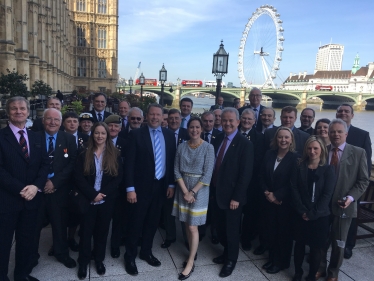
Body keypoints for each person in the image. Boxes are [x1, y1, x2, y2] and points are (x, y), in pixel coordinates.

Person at [0, 97, 49, 281]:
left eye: (22, 108)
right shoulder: (1, 137)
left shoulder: (36, 137)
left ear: (28, 112)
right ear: (8, 112)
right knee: (3, 244)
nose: (18, 111)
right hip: (7, 201)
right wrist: (22, 189)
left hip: (31, 201)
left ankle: (21, 275)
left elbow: (45, 164)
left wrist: (36, 186)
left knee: (26, 242)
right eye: (14, 108)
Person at [124, 104, 176, 276]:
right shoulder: (136, 134)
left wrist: (170, 184)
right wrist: (130, 188)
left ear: (163, 118)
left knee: (152, 222)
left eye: (158, 115)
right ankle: (129, 256)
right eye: (152, 114)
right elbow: (129, 164)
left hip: (160, 187)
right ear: (147, 116)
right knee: (135, 222)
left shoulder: (169, 135)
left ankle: (146, 251)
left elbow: (170, 162)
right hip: (140, 188)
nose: (155, 117)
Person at [317, 119, 369, 281]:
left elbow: (363, 181)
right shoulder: (322, 151)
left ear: (346, 134)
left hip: (344, 206)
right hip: (323, 206)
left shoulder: (358, 152)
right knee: (320, 240)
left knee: (339, 242)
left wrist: (351, 198)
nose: (336, 134)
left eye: (339, 131)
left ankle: (333, 273)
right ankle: (320, 268)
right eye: (332, 131)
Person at [74, 122, 123, 279]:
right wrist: (92, 194)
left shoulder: (115, 153)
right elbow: (78, 178)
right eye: (96, 133)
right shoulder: (83, 153)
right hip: (88, 200)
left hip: (106, 201)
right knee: (86, 233)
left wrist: (102, 194)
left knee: (102, 232)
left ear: (107, 135)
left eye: (103, 133)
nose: (99, 136)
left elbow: (118, 178)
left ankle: (99, 259)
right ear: (92, 134)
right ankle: (83, 261)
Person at [31, 108, 77, 270]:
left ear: (60, 123)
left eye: (56, 120)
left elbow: (72, 163)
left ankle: (61, 253)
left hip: (59, 190)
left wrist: (54, 182)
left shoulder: (69, 139)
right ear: (43, 121)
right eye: (49, 119)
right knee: (34, 225)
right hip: (37, 189)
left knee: (59, 224)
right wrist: (41, 182)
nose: (52, 122)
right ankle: (30, 257)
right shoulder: (33, 138)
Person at [211, 108, 254, 277]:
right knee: (221, 228)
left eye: (231, 121)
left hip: (233, 197)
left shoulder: (245, 144)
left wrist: (237, 197)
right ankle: (225, 253)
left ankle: (231, 260)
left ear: (238, 122)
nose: (227, 123)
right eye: (224, 120)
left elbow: (245, 174)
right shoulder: (218, 138)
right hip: (217, 192)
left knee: (232, 230)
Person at [172, 117, 215, 280]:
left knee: (192, 227)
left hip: (200, 190)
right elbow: (176, 171)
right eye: (191, 127)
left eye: (197, 127)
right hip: (183, 188)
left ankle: (190, 261)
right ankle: (192, 251)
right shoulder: (181, 146)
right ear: (187, 129)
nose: (194, 130)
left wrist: (192, 193)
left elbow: (207, 174)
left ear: (202, 129)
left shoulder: (208, 148)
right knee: (186, 224)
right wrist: (185, 192)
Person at [291, 136, 335, 281]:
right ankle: (298, 272)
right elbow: (294, 189)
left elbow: (327, 195)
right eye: (309, 148)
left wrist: (312, 213)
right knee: (299, 245)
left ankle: (311, 276)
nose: (312, 151)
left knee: (316, 248)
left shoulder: (328, 170)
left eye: (315, 148)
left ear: (321, 150)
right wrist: (302, 210)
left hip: (319, 216)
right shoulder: (300, 166)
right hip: (300, 213)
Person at [260, 127, 298, 274]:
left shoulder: (296, 158)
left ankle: (281, 262)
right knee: (271, 231)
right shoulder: (269, 154)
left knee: (283, 234)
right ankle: (272, 258)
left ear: (291, 140)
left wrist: (277, 196)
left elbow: (293, 183)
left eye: (286, 137)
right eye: (280, 137)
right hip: (268, 200)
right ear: (276, 139)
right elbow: (261, 176)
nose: (283, 140)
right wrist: (267, 193)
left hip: (284, 203)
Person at [336, 104, 372, 259]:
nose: (343, 113)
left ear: (352, 115)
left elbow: (366, 164)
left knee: (350, 218)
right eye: (340, 111)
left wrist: (356, 190)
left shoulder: (362, 134)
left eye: (346, 111)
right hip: (333, 183)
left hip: (352, 185)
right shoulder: (332, 131)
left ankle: (348, 246)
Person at [160, 109, 190, 249]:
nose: (173, 120)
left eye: (176, 118)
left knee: (185, 211)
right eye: (171, 118)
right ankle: (170, 236)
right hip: (168, 178)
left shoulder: (187, 133)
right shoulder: (162, 134)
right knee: (168, 210)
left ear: (180, 119)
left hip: (185, 179)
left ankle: (187, 239)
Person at [238, 108, 265, 251]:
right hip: (234, 181)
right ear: (240, 119)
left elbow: (259, 161)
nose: (247, 121)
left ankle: (246, 238)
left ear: (254, 121)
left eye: (250, 119)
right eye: (244, 118)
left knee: (249, 213)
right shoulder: (233, 134)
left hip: (252, 182)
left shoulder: (260, 137)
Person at [62, 112, 89, 252]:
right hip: (62, 182)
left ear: (78, 124)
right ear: (63, 123)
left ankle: (71, 238)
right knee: (60, 214)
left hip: (79, 182)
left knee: (75, 212)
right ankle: (58, 241)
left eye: (74, 121)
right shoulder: (59, 137)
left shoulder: (85, 138)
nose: (72, 123)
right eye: (69, 121)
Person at [103, 115, 127, 259]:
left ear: (120, 128)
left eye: (116, 126)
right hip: (103, 189)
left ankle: (115, 245)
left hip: (119, 189)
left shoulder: (126, 143)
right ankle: (99, 245)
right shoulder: (98, 141)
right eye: (110, 125)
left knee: (119, 220)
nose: (113, 128)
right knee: (102, 221)